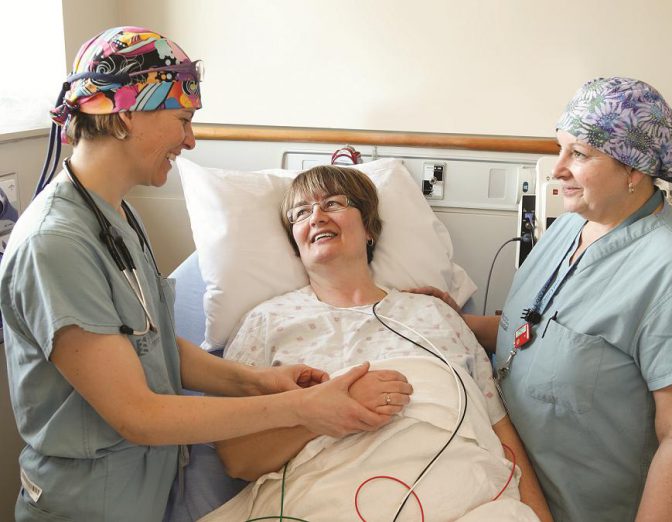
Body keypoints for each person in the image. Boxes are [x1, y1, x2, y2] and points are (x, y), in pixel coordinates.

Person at [0, 27, 411, 521]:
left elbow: (153, 347)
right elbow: (139, 415)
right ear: (127, 113)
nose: (190, 140)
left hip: (145, 497)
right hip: (90, 506)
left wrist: (260, 381)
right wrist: (305, 410)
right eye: (182, 119)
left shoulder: (116, 216)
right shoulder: (57, 245)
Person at [205, 165, 552, 521]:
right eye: (301, 213)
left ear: (369, 228)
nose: (317, 216)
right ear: (295, 241)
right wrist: (324, 413)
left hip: (459, 489)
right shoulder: (266, 322)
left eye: (333, 203)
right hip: (328, 498)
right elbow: (238, 458)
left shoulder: (436, 314)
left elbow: (498, 430)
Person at [419, 77, 672, 521]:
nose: (556, 169)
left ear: (634, 169)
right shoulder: (572, 226)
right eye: (559, 148)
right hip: (506, 480)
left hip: (584, 507)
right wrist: (449, 320)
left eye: (580, 154)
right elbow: (537, 334)